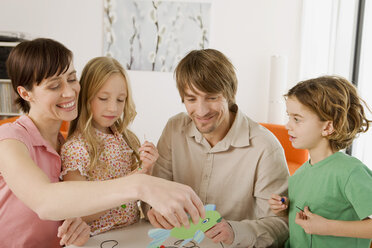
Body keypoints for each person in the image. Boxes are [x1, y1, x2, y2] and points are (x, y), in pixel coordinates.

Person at [0, 38, 205, 248]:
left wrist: (78, 230)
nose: (70, 92)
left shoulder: (64, 142)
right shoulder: (9, 140)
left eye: (71, 79)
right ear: (25, 93)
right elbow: (44, 201)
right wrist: (139, 184)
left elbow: (69, 219)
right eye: (54, 86)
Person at [146, 49, 289, 247]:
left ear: (230, 95)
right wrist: (154, 208)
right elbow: (154, 193)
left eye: (212, 98)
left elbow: (281, 224)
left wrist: (235, 231)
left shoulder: (265, 147)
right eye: (191, 99)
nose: (201, 111)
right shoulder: (174, 129)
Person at [269, 75, 372, 247]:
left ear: (327, 127)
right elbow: (303, 226)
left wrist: (327, 227)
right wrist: (284, 210)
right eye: (289, 117)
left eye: (297, 119)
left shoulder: (351, 172)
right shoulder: (299, 175)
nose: (288, 125)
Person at [61, 56, 158, 235]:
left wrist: (147, 170)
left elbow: (140, 199)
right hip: (97, 238)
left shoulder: (128, 140)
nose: (113, 108)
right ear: (86, 97)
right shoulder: (76, 149)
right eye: (104, 98)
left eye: (120, 100)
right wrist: (134, 181)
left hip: (132, 232)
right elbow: (78, 212)